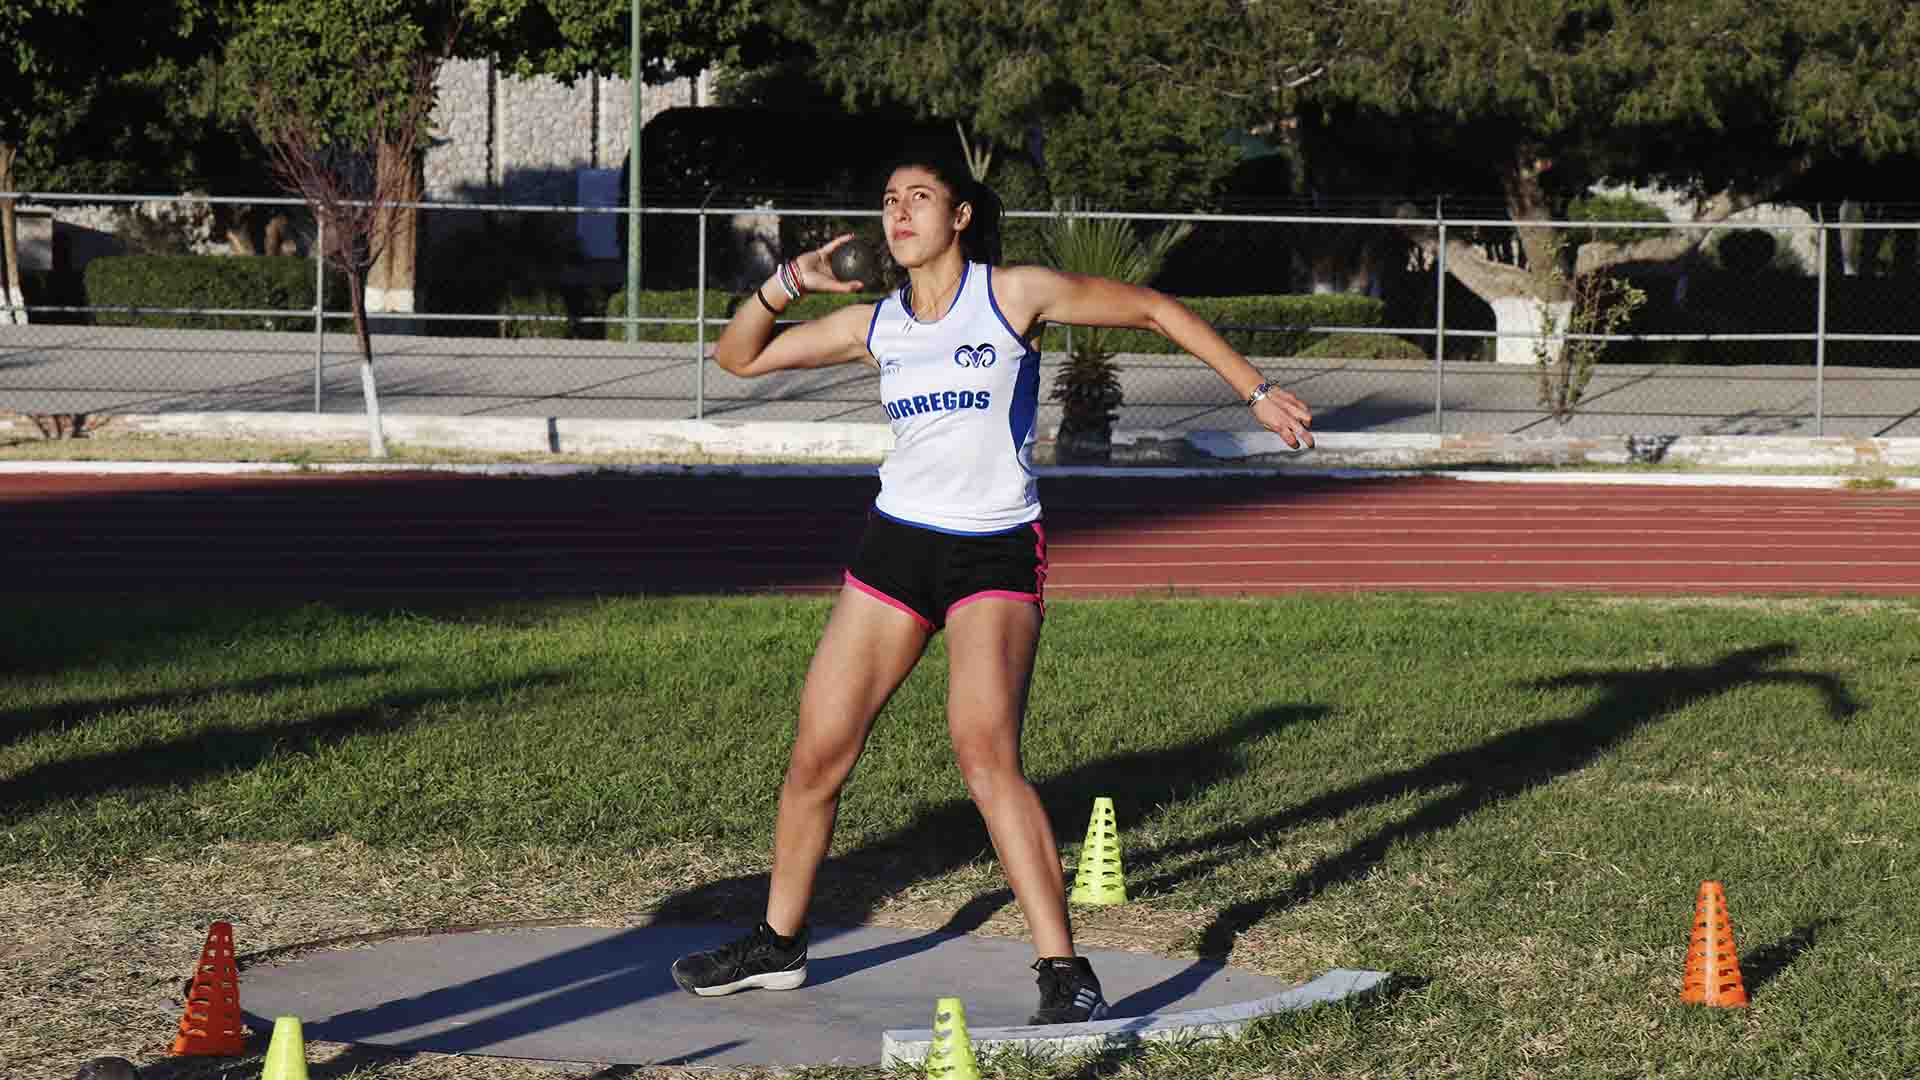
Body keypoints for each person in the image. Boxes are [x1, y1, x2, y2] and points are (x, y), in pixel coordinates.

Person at [669, 156, 1314, 1024]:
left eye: (919, 199)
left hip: (994, 553)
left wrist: (1257, 390)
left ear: (961, 216)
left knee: (984, 756)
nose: (898, 213)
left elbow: (1154, 308)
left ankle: (1065, 970)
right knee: (817, 754)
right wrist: (794, 278)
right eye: (888, 199)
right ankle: (778, 945)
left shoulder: (1014, 294)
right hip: (895, 548)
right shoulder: (878, 322)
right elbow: (736, 357)